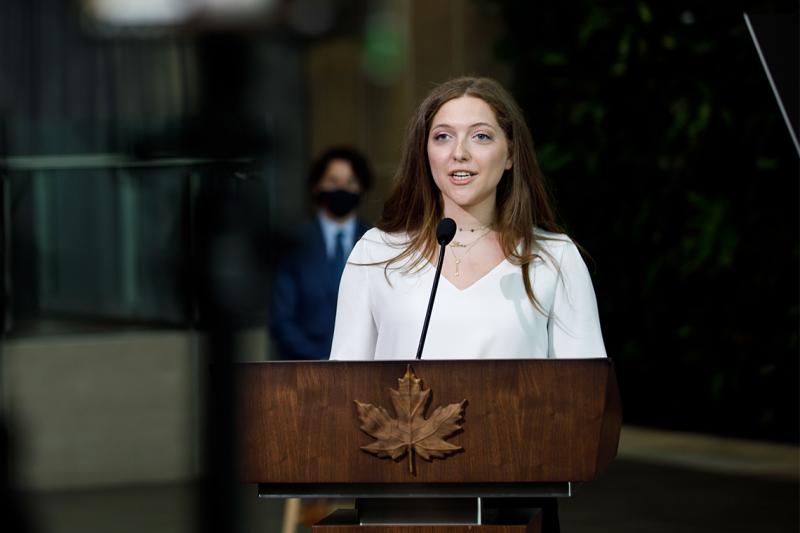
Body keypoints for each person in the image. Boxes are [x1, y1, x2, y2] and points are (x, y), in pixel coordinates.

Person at [329, 77, 605, 360]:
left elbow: (585, 395)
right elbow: (344, 389)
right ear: (424, 153)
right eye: (443, 137)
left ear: (510, 153)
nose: (459, 153)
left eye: (481, 136)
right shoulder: (377, 253)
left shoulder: (554, 258)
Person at [270, 147, 372, 360]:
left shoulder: (376, 241)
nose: (342, 189)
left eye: (350, 182)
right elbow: (282, 319)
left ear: (361, 188)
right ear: (317, 187)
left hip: (365, 368)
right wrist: (323, 362)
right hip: (303, 369)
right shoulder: (295, 243)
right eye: (333, 181)